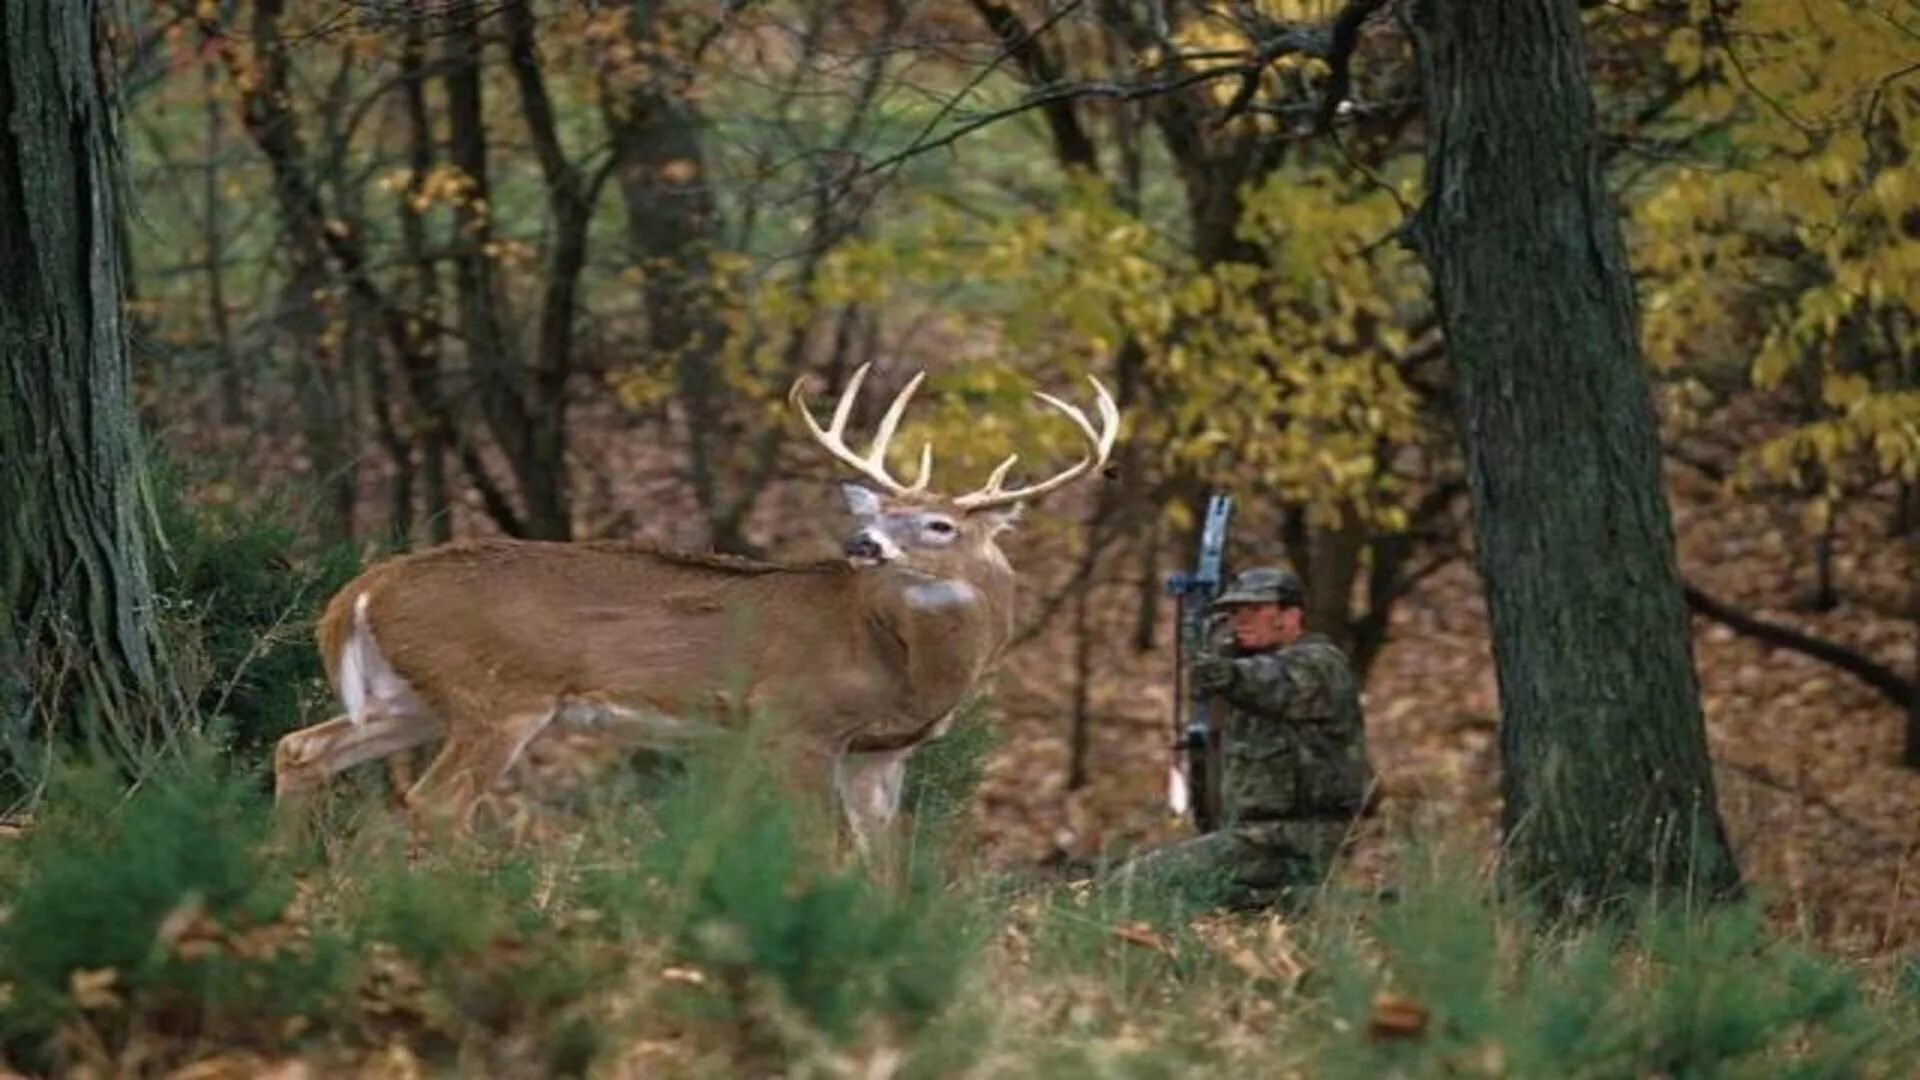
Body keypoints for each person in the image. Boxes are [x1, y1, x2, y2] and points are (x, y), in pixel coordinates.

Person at [1117, 566, 1375, 910]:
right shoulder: (1255, 666)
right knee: (1180, 891)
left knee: (1141, 885)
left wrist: (1220, 669)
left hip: (1295, 837)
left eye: (1255, 610)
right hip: (1261, 838)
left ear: (1290, 614)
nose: (1241, 620)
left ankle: (1322, 906)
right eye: (1235, 612)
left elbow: (1269, 682)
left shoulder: (1319, 664)